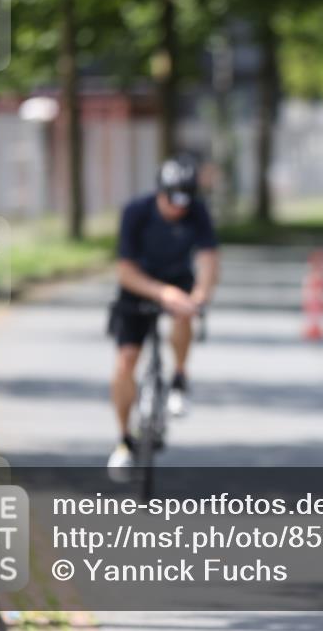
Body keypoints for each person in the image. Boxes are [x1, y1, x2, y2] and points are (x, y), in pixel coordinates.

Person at [106, 153, 219, 473]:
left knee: (184, 314)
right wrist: (162, 293)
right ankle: (124, 439)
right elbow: (125, 271)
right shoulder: (136, 212)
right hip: (139, 284)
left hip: (178, 280)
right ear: (160, 193)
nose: (179, 209)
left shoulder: (197, 213)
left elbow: (209, 259)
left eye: (186, 202)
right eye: (173, 201)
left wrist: (199, 296)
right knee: (126, 361)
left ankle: (179, 378)